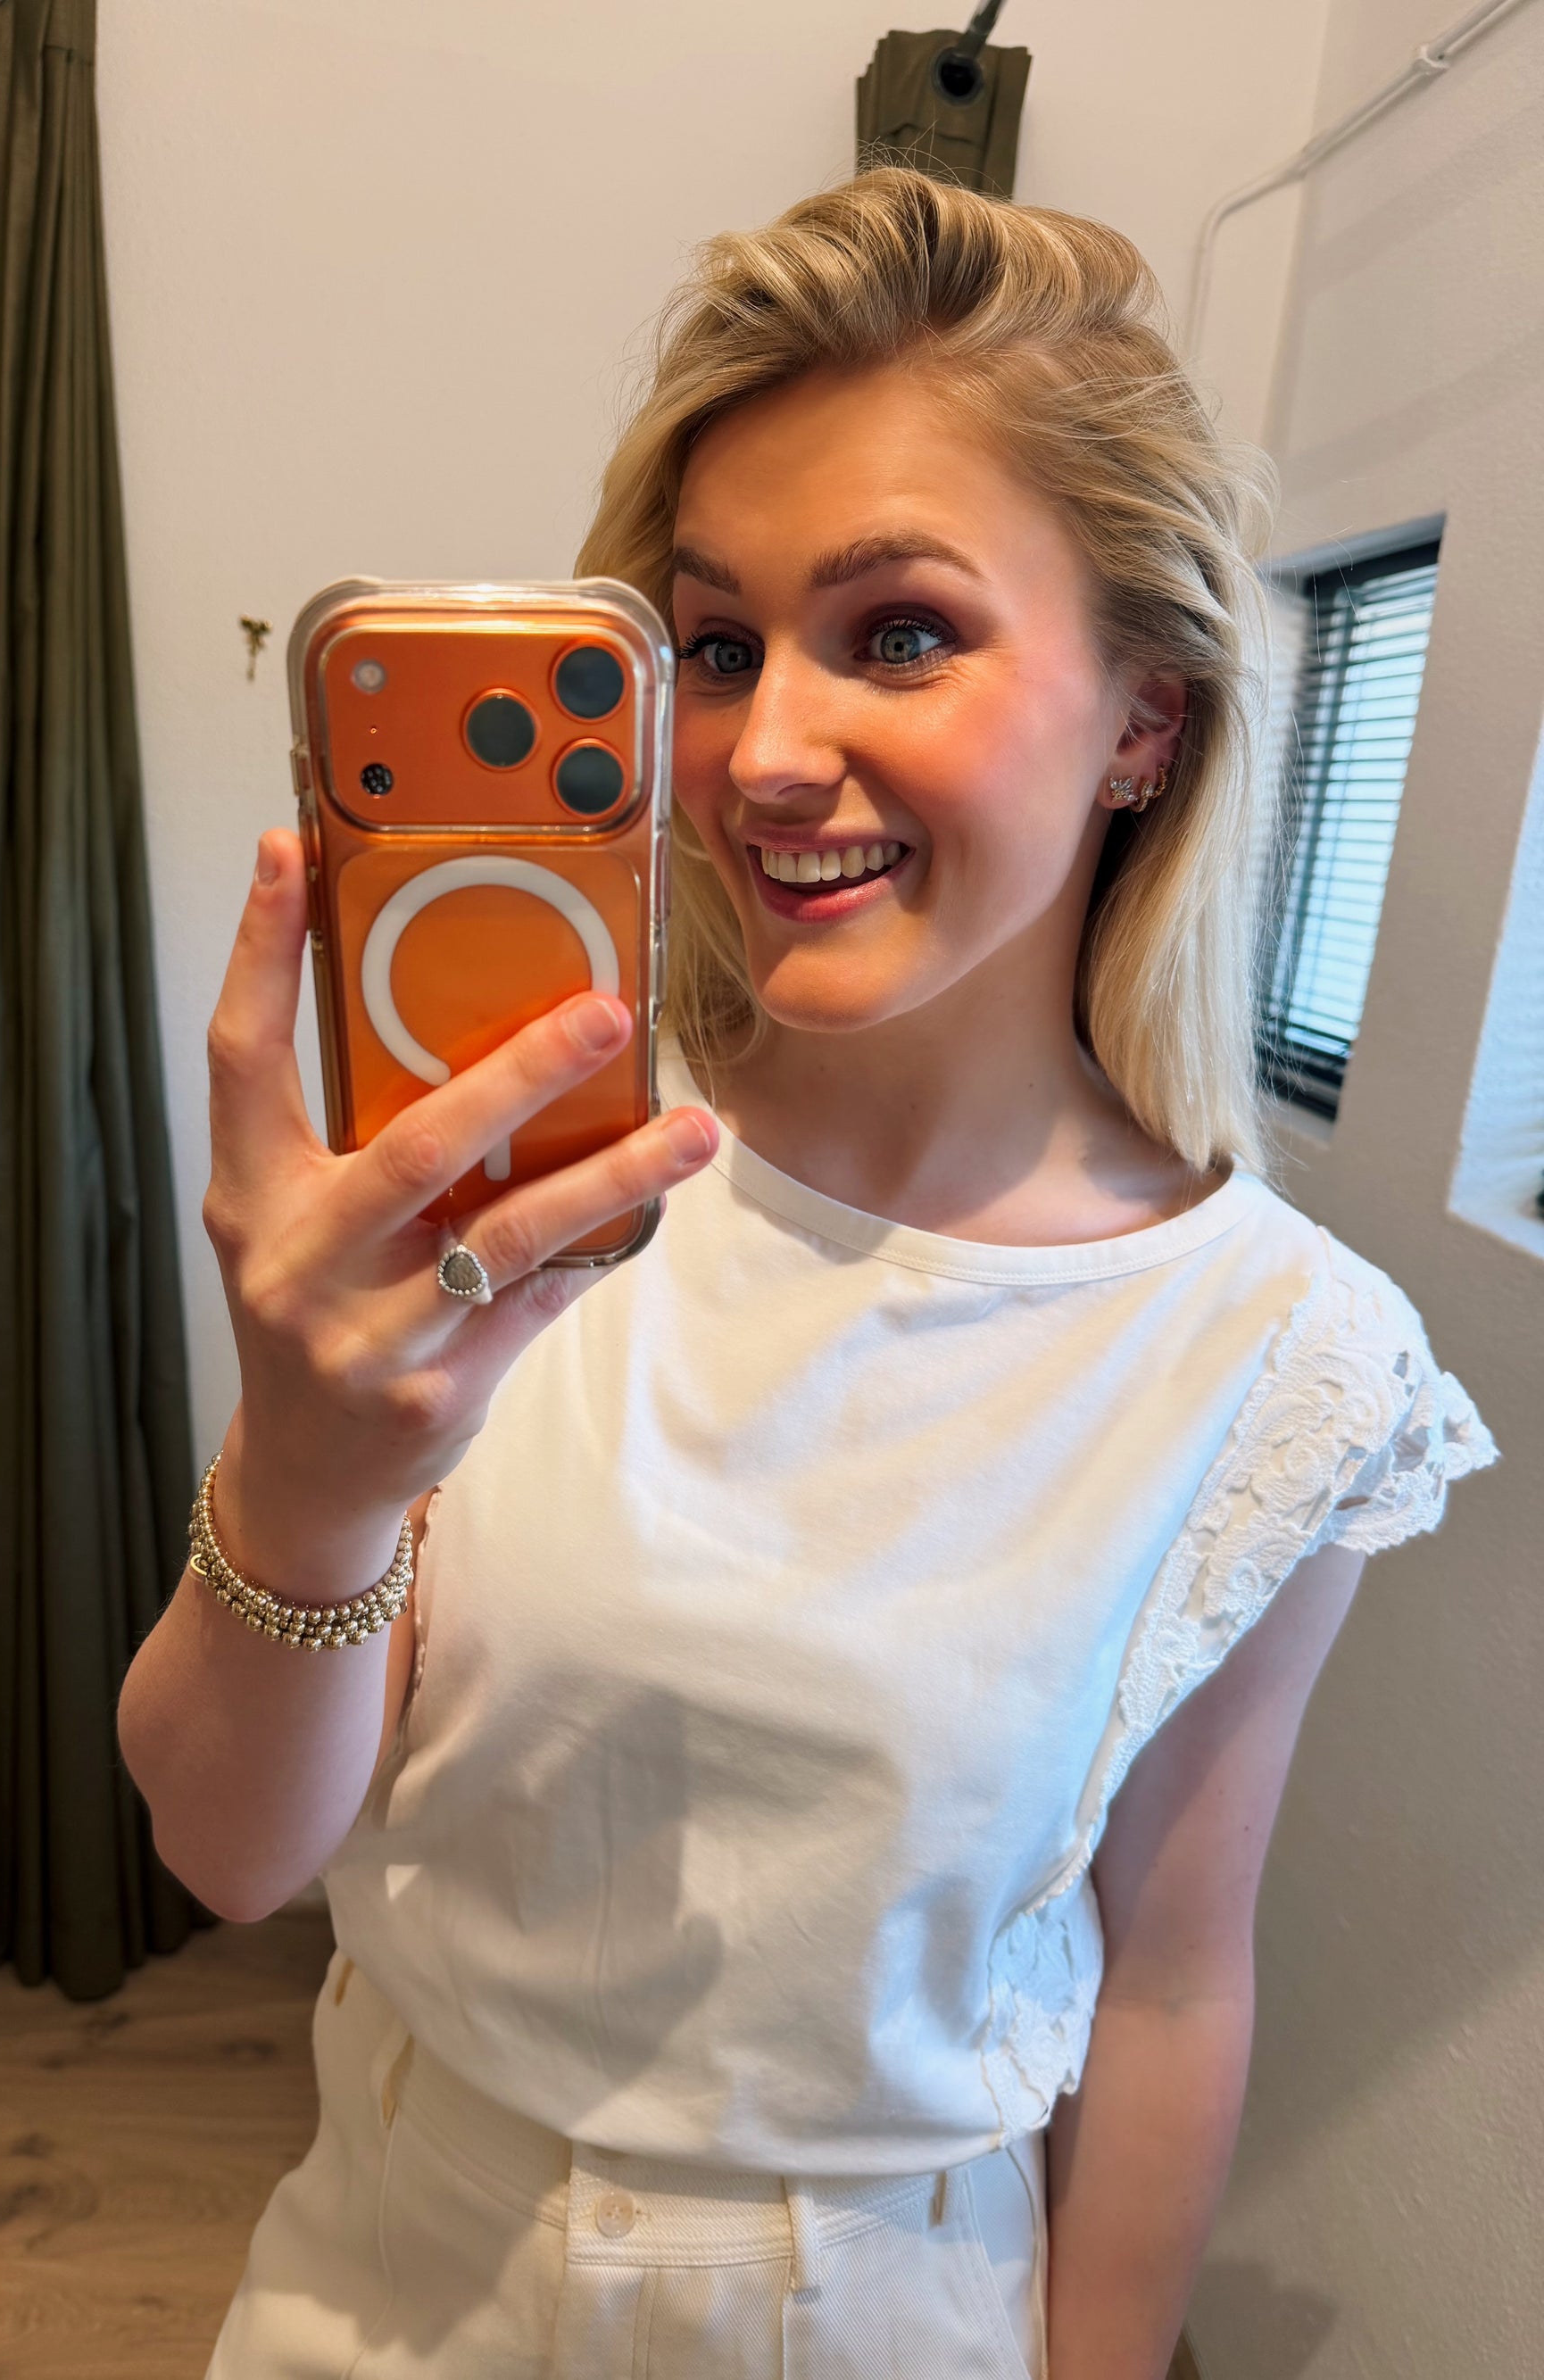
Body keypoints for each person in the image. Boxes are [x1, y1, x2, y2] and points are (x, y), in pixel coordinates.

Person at [118, 171, 1498, 2380]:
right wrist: (301, 1474)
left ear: (1145, 717)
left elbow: (1170, 1978)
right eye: (714, 644)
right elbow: (229, 1850)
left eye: (901, 632)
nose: (762, 752)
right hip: (392, 2277)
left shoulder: (1286, 1356)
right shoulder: (525, 1200)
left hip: (887, 2312)